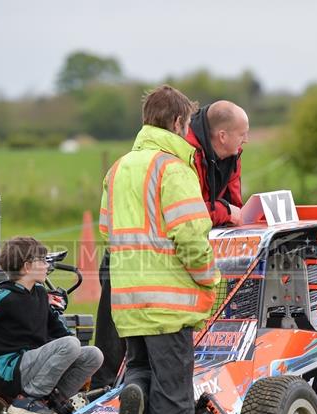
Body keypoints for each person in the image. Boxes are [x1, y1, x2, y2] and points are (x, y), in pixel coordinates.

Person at [99, 85, 220, 414]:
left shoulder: (117, 169)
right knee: (174, 395)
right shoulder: (174, 169)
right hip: (169, 304)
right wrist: (209, 277)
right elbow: (190, 237)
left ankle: (132, 392)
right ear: (177, 122)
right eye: (187, 125)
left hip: (128, 302)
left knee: (139, 370)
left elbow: (106, 230)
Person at [91, 99, 248, 389]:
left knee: (138, 356)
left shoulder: (230, 156)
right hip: (157, 261)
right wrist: (208, 276)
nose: (246, 141)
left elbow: (232, 206)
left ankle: (130, 395)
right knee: (148, 362)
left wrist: (224, 211)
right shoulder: (181, 155)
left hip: (137, 256)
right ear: (222, 135)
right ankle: (102, 389)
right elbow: (195, 213)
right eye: (242, 135)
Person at [0, 237, 104, 414]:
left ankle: (52, 403)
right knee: (71, 344)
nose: (47, 265)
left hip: (34, 365)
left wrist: (75, 361)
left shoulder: (39, 293)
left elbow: (61, 332)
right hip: (12, 372)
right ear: (27, 267)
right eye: (43, 261)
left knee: (93, 354)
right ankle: (27, 401)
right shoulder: (2, 296)